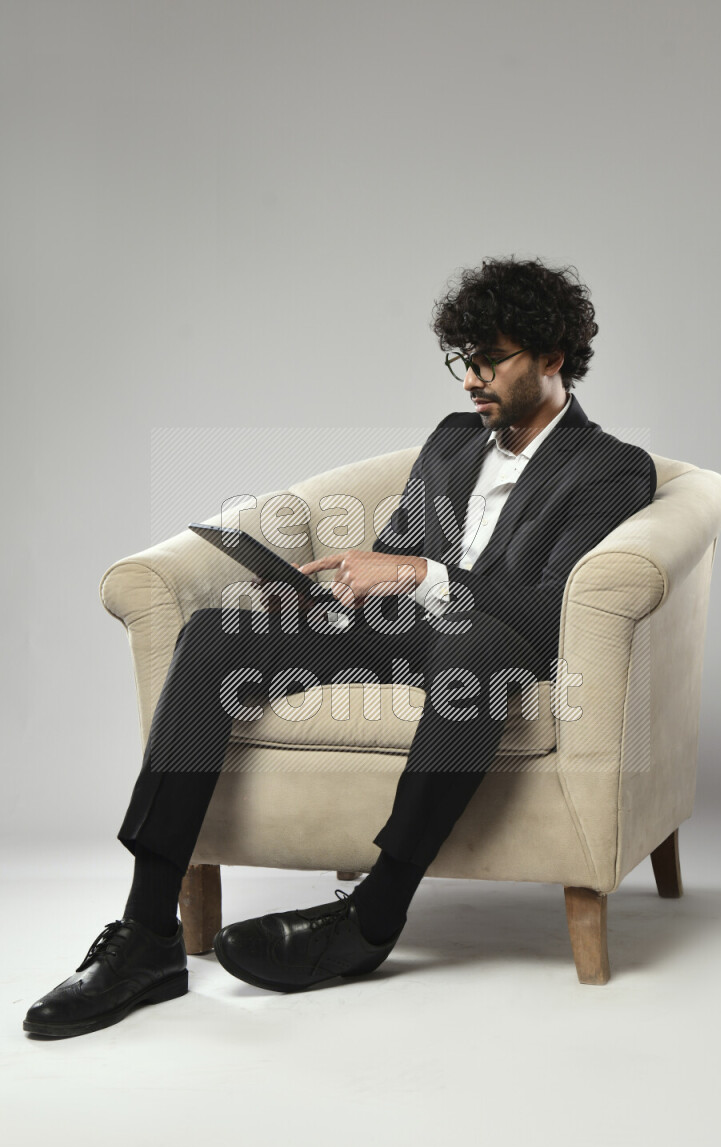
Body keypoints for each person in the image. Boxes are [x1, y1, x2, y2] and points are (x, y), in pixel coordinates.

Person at [23, 256, 656, 1038]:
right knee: (217, 633)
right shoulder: (455, 442)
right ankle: (147, 932)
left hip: (487, 645)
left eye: (488, 360)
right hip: (398, 631)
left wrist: (417, 570)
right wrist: (334, 591)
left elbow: (552, 610)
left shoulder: (609, 468)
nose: (468, 380)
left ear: (552, 358)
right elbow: (400, 552)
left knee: (477, 652)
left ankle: (373, 914)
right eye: (462, 361)